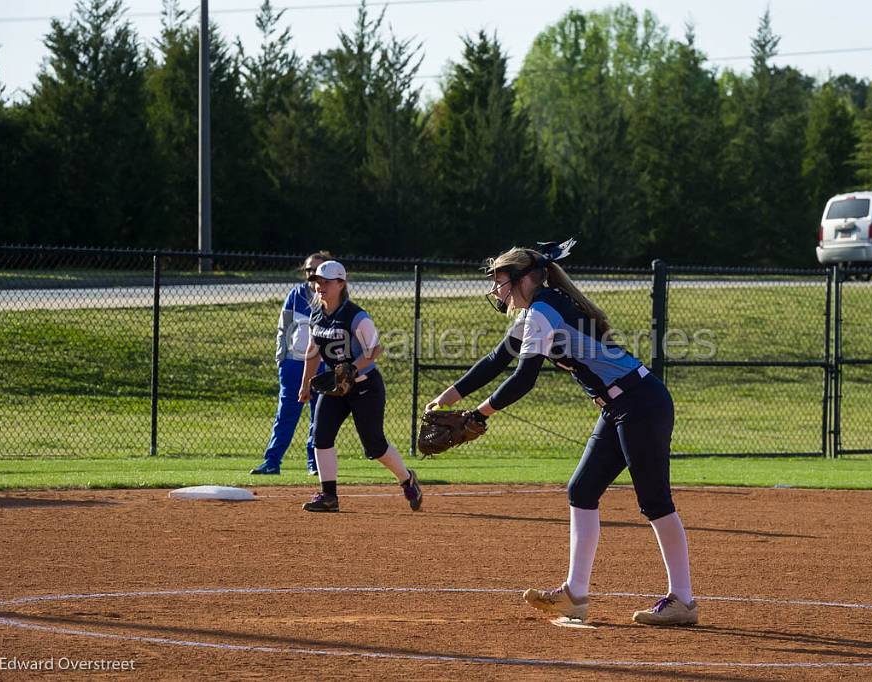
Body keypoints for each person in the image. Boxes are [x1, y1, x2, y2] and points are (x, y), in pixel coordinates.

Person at [425, 240, 696, 626]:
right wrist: (447, 398)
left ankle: (682, 600)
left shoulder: (542, 312)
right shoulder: (538, 311)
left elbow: (524, 378)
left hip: (641, 404)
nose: (496, 289)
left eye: (501, 280)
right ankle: (575, 595)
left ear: (523, 279)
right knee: (582, 490)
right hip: (621, 405)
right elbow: (495, 361)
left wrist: (480, 414)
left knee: (654, 501)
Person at [298, 259, 422, 513]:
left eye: (326, 282)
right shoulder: (317, 314)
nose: (320, 286)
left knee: (374, 446)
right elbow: (313, 350)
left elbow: (375, 350)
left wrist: (352, 369)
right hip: (335, 388)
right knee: (320, 437)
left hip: (365, 387)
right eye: (317, 282)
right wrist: (305, 385)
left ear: (341, 283)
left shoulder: (356, 316)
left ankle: (407, 479)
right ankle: (329, 496)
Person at [250, 252, 331, 476]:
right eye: (309, 270)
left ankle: (314, 463)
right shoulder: (296, 295)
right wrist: (281, 359)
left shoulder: (332, 298)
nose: (312, 274)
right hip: (294, 364)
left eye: (318, 270)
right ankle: (272, 461)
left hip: (323, 366)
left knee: (319, 417)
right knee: (286, 414)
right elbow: (283, 329)